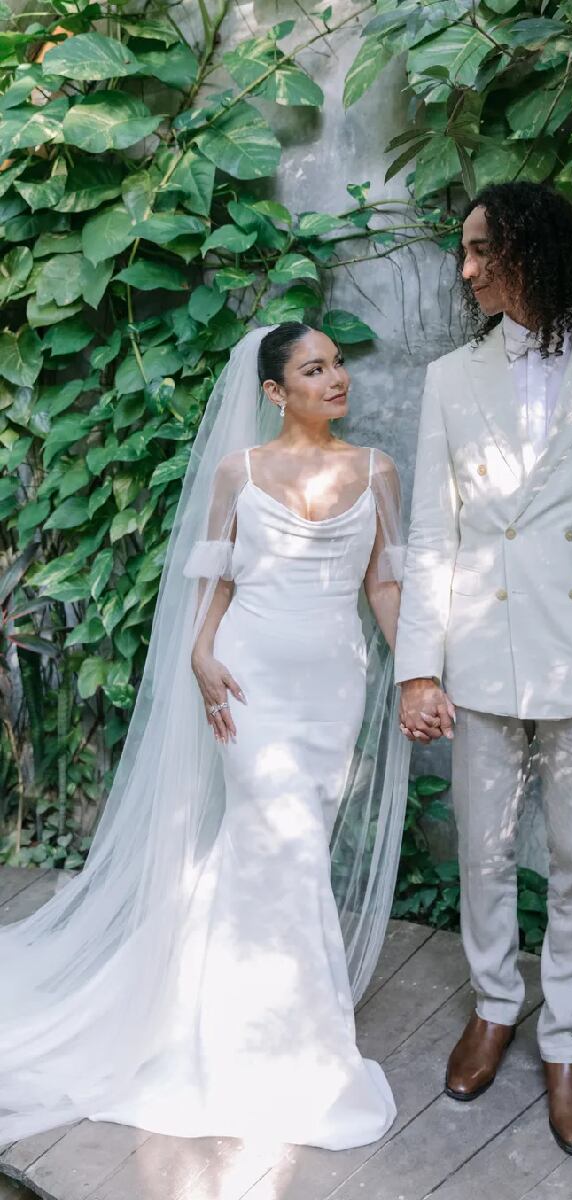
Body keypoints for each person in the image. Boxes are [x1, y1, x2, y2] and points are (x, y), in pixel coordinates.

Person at [0, 323, 410, 1154]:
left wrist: (417, 674)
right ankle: (294, 1050)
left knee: (283, 849)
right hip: (249, 682)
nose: (337, 379)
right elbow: (215, 578)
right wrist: (198, 648)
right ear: (274, 392)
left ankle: (207, 1006)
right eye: (315, 368)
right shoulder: (238, 473)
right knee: (279, 839)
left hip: (331, 691)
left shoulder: (377, 471)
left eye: (337, 366)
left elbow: (386, 583)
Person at [394, 182, 572, 1155]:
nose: (466, 268)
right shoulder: (447, 380)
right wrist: (416, 669)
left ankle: (563, 1039)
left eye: (482, 250)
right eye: (465, 253)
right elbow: (432, 533)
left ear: (530, 250)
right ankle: (492, 1005)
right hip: (477, 658)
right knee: (480, 850)